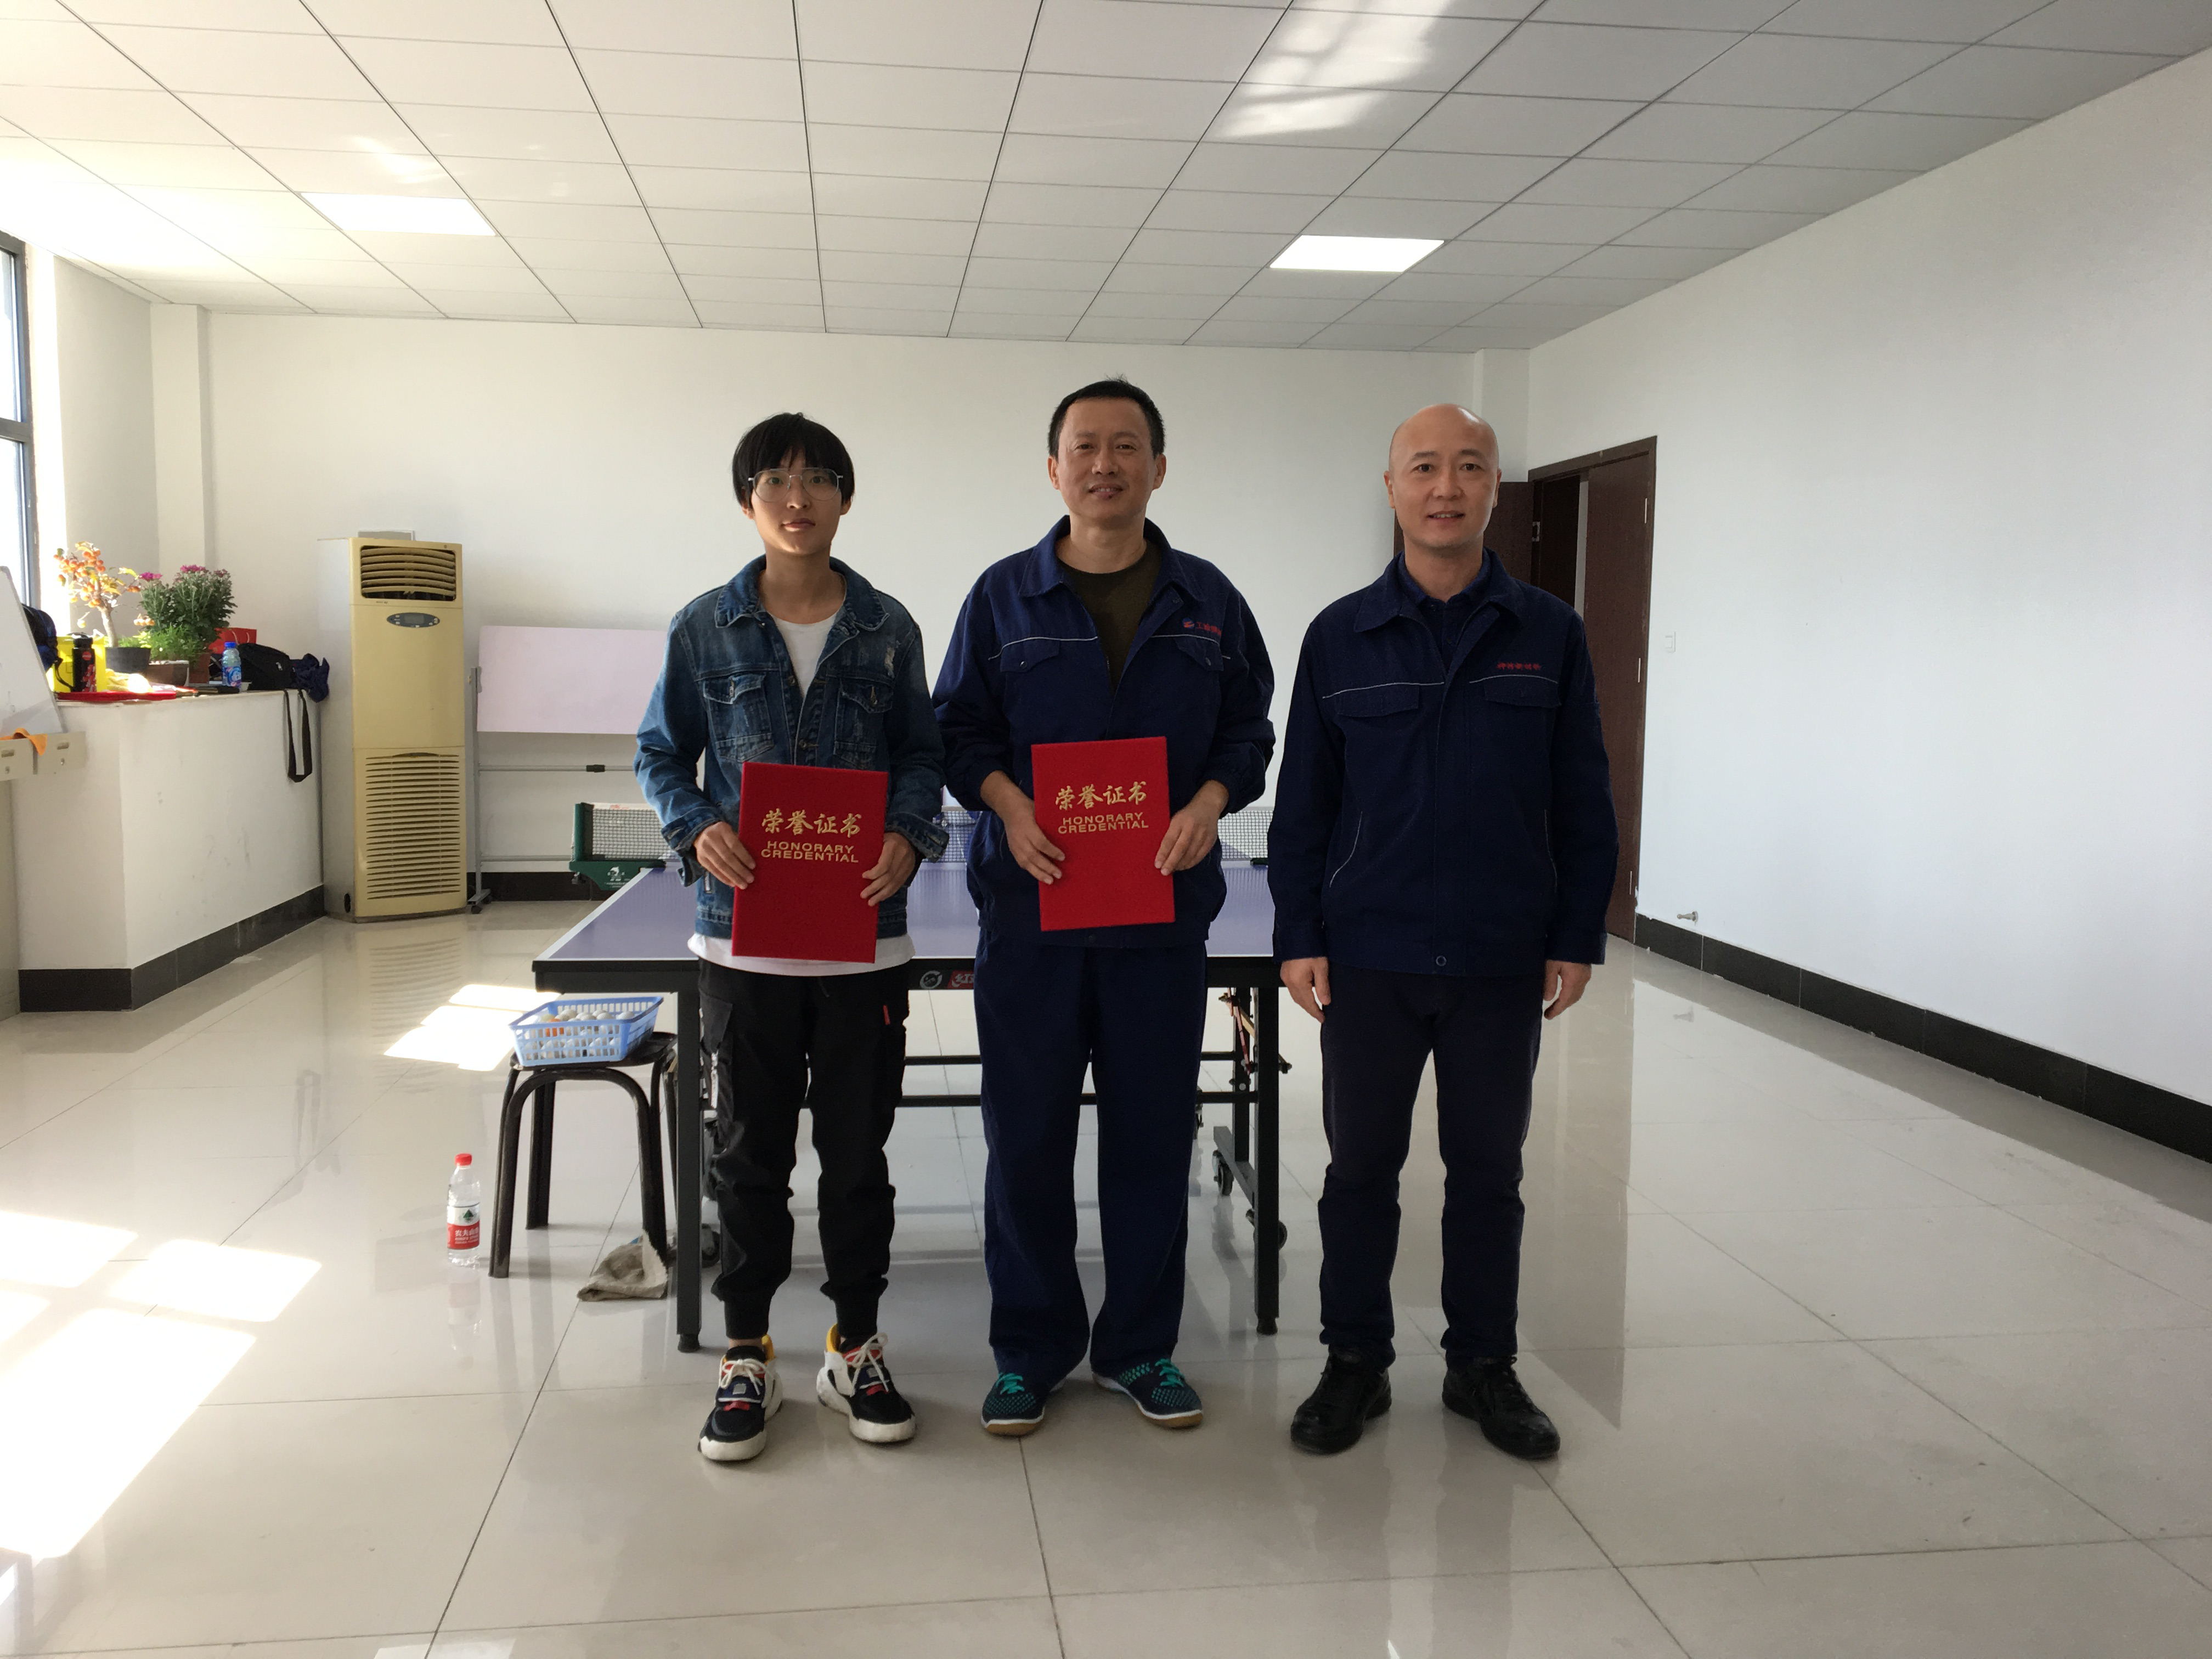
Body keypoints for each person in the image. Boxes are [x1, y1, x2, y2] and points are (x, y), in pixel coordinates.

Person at [1268, 404, 1617, 1459]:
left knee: (1488, 1174)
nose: (1446, 487)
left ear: (1495, 487)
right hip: (1367, 955)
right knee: (1358, 1174)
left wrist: (1576, 933)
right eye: (1424, 467)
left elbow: (1583, 795)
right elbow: (1304, 805)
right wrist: (1298, 932)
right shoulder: (1339, 635)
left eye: (1469, 467)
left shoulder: (1549, 632)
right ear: (1392, 488)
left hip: (1500, 955)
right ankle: (1354, 1362)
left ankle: (1483, 1367)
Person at [935, 378, 1275, 1437]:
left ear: (1158, 468)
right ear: (1054, 469)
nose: (1105, 464)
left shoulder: (1211, 600)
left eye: (1127, 446)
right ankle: (1030, 1352)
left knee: (1150, 1139)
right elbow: (958, 733)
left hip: (1160, 921)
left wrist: (1210, 803)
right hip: (1031, 916)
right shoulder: (1002, 597)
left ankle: (1140, 1348)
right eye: (1084, 446)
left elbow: (1249, 733)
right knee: (1025, 1141)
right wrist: (1008, 806)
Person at [636, 412, 948, 1464]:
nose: (797, 496)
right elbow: (659, 754)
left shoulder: (889, 628)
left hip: (864, 944)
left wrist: (909, 832)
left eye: (818, 479)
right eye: (775, 479)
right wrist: (697, 825)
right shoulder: (704, 627)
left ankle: (855, 1348)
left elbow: (922, 754)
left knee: (857, 1161)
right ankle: (747, 1352)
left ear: (846, 497)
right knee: (748, 1158)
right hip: (743, 945)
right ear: (748, 501)